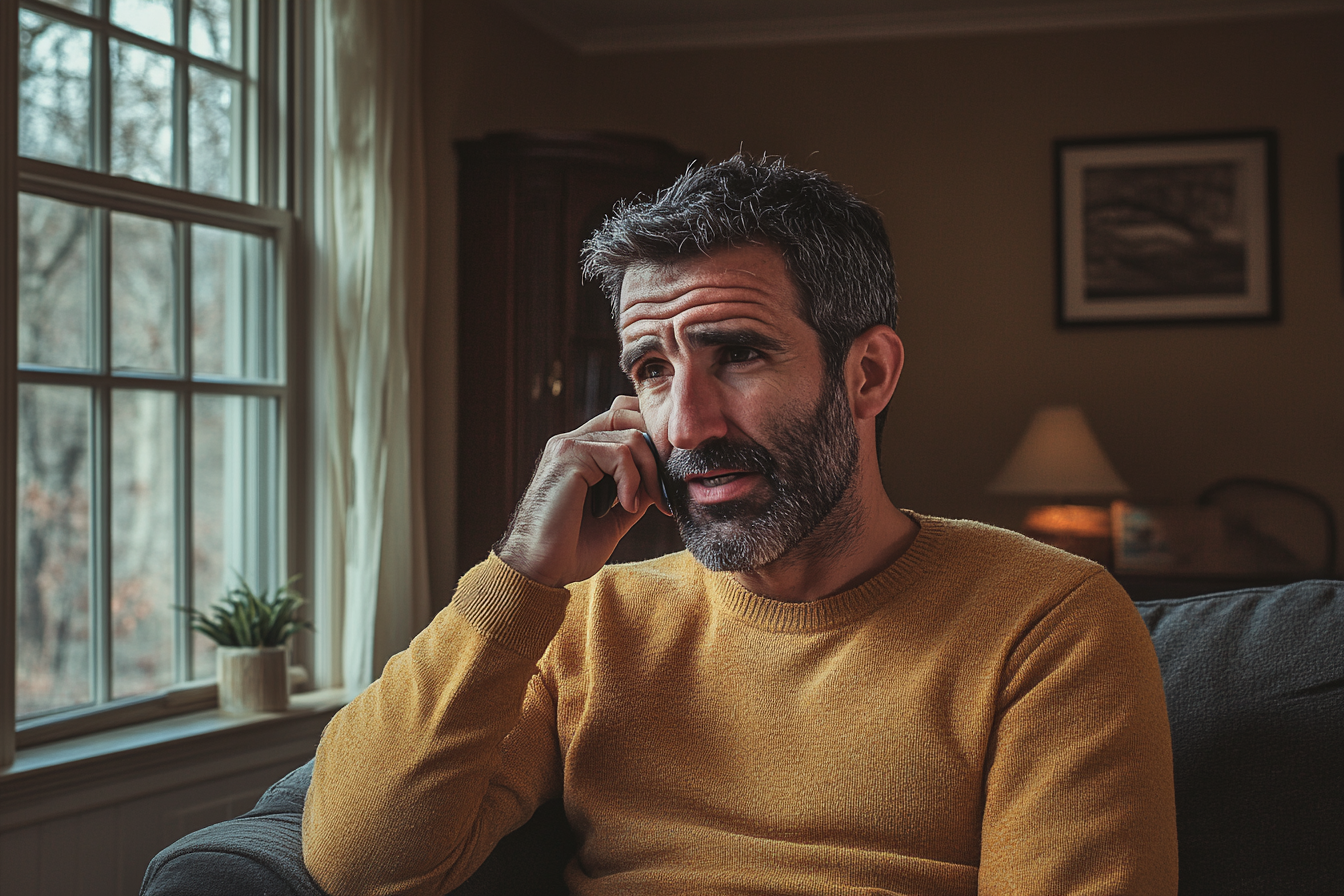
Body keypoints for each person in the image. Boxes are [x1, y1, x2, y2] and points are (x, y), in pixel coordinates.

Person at [302, 155, 1178, 895]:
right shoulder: (584, 622)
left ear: (867, 374)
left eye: (741, 354)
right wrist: (520, 580)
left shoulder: (1049, 621)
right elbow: (359, 860)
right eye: (651, 368)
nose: (685, 424)